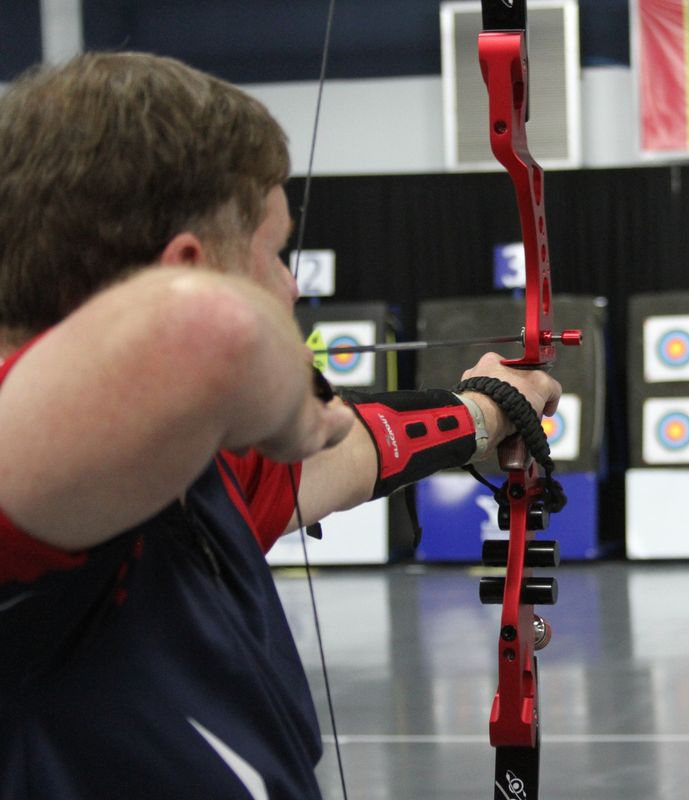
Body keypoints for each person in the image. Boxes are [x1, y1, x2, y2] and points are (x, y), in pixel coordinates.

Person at [0, 52, 561, 799]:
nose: (290, 285)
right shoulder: (35, 476)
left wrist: (490, 407)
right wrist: (287, 405)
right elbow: (216, 330)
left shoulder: (189, 469)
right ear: (192, 266)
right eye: (273, 250)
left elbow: (347, 455)